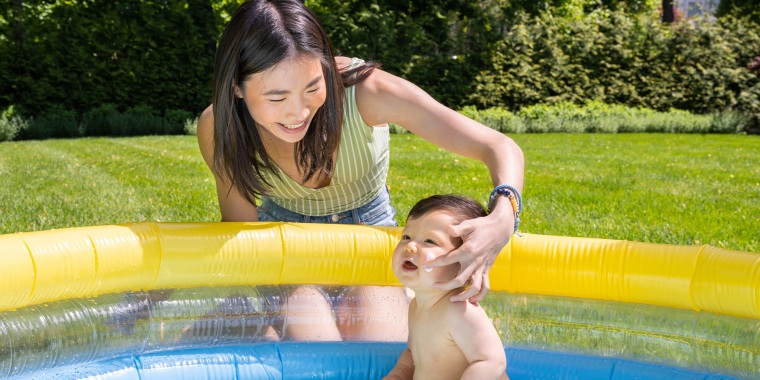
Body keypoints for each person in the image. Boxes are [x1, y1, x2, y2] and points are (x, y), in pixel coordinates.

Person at [196, 0, 524, 341]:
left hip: (370, 235)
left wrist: (504, 214)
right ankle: (262, 326)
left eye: (312, 87)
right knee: (316, 346)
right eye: (277, 98)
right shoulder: (220, 128)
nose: (298, 112)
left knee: (378, 345)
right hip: (287, 246)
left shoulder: (366, 92)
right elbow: (241, 230)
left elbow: (497, 146)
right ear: (236, 86)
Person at [384, 194, 509, 380]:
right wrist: (398, 375)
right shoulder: (416, 306)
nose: (410, 246)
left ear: (466, 261)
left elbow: (491, 362)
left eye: (429, 241)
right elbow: (413, 353)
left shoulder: (459, 309)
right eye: (407, 236)